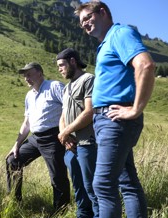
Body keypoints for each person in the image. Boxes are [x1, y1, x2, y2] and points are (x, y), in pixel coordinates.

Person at [75, 2, 156, 217]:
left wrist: (135, 109)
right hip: (107, 121)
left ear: (102, 12)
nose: (84, 25)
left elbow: (145, 65)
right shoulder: (106, 42)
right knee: (126, 180)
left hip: (116, 121)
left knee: (102, 185)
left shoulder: (120, 33)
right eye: (81, 22)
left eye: (87, 18)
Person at [5, 62, 70, 211]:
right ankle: (15, 202)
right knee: (12, 161)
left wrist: (67, 132)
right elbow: (27, 122)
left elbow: (69, 107)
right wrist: (17, 144)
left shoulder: (54, 86)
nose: (26, 78)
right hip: (36, 138)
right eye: (24, 75)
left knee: (57, 176)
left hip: (54, 137)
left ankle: (61, 210)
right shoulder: (29, 96)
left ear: (40, 73)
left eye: (29, 74)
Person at [56, 48, 98, 218]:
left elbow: (89, 112)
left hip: (88, 143)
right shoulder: (66, 88)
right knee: (79, 190)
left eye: (62, 65)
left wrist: (67, 131)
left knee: (92, 188)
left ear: (73, 61)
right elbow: (63, 115)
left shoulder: (89, 80)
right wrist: (64, 136)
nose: (60, 69)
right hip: (71, 147)